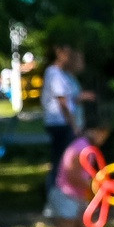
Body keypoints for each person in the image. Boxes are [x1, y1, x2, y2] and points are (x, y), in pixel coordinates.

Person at [26, 117, 112, 227]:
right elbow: (73, 176)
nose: (104, 139)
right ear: (97, 131)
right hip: (66, 196)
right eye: (104, 135)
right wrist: (97, 187)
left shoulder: (84, 145)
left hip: (77, 196)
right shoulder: (83, 148)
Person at [40, 42, 83, 183]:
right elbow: (63, 103)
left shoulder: (61, 73)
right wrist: (74, 125)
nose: (69, 56)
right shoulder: (54, 73)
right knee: (60, 162)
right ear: (58, 52)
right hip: (60, 122)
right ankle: (55, 193)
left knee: (62, 160)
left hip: (63, 122)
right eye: (66, 53)